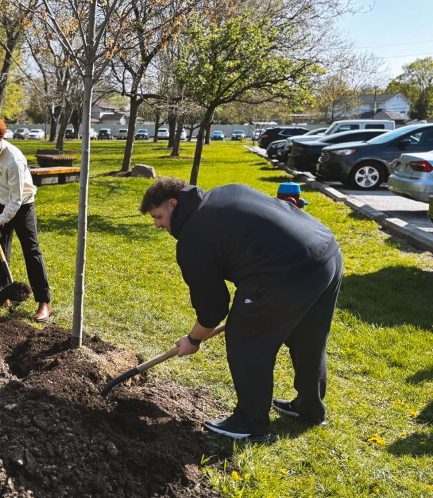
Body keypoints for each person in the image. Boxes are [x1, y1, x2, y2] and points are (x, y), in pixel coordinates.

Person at [140, 177, 343, 442]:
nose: (157, 224)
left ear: (173, 203)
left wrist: (193, 340)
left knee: (245, 337)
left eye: (158, 216)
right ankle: (309, 408)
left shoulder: (193, 237)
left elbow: (213, 308)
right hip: (326, 253)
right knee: (308, 337)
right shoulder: (222, 192)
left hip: (287, 272)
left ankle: (250, 422)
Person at [0, 118, 52, 322]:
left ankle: (44, 302)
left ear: (2, 137)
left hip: (23, 204)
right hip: (0, 201)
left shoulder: (14, 160)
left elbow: (16, 200)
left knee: (31, 251)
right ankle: (1, 297)